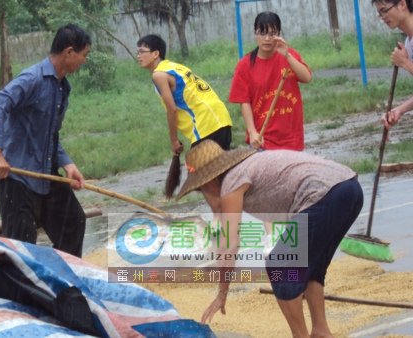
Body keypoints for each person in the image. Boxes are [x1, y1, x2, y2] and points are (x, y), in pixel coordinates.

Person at [175, 140, 363, 337]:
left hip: (325, 194)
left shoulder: (231, 182)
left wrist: (222, 294)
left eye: (200, 189)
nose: (203, 194)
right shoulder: (245, 167)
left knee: (279, 265)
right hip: (349, 188)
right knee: (310, 266)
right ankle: (321, 331)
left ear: (209, 181)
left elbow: (230, 245)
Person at [0, 24, 90, 257]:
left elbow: (49, 134)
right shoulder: (33, 78)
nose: (84, 60)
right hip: (17, 175)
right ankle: (24, 291)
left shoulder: (62, 87)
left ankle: (62, 284)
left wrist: (67, 164)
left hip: (45, 171)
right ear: (69, 52)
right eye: (84, 55)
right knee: (22, 245)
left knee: (73, 223)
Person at [136, 34, 233, 213]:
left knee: (200, 177)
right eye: (138, 52)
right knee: (213, 178)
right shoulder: (175, 66)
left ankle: (223, 223)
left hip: (206, 125)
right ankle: (228, 224)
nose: (138, 56)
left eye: (142, 51)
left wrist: (173, 140)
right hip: (221, 120)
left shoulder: (159, 75)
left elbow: (171, 110)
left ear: (156, 53)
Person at [229, 11, 312, 150]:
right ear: (255, 33)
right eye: (262, 33)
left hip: (291, 138)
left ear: (279, 34)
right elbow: (244, 102)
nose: (267, 38)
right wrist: (252, 132)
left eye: (272, 33)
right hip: (263, 140)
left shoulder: (289, 56)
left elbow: (307, 78)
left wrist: (288, 56)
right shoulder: (245, 65)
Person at [373, 0, 413, 128]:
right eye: (380, 13)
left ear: (402, 4)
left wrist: (405, 63)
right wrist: (399, 110)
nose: (383, 18)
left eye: (384, 10)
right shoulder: (409, 42)